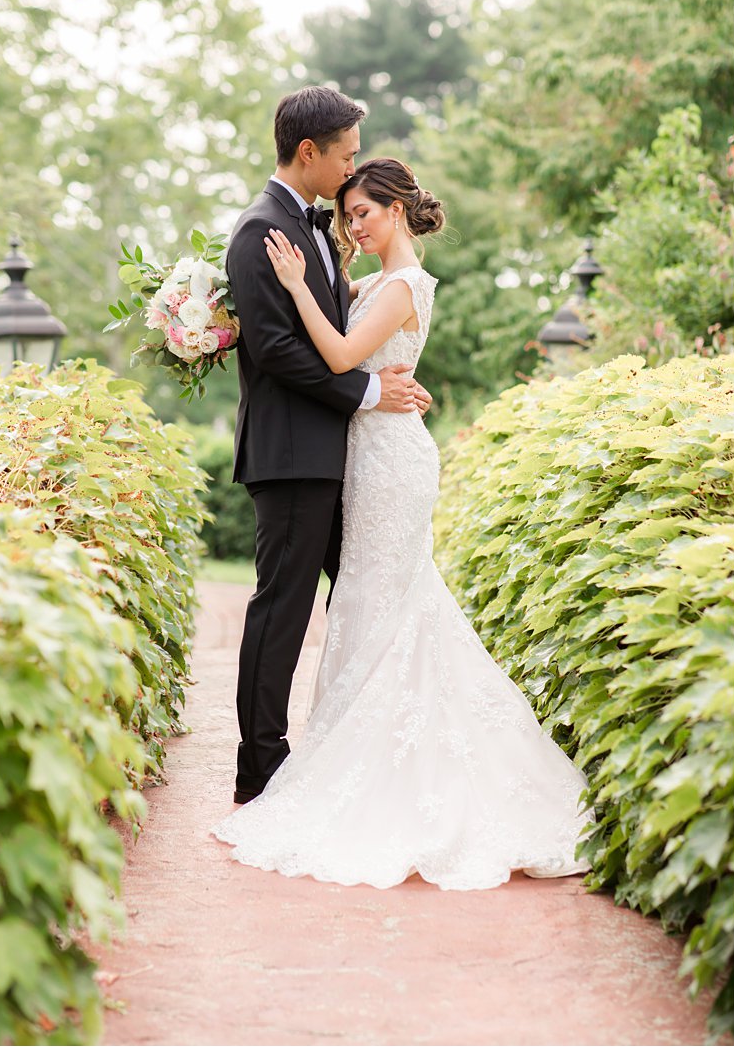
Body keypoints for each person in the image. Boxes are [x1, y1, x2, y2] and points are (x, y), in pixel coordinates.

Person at [211, 158, 590, 889]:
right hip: (367, 454)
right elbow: (322, 318)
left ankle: (394, 770)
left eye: (365, 212)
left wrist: (296, 286)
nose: (354, 224)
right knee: (366, 603)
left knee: (385, 603)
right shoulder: (374, 282)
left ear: (398, 209)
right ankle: (363, 752)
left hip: (392, 464)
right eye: (348, 213)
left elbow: (343, 351)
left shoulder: (406, 286)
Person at [222, 86, 431, 807]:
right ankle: (262, 769)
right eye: (344, 156)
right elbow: (278, 349)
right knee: (281, 608)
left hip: (337, 455)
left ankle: (364, 745)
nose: (350, 171)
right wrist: (370, 395)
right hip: (289, 454)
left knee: (365, 596)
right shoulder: (260, 231)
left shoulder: (309, 226)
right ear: (308, 152)